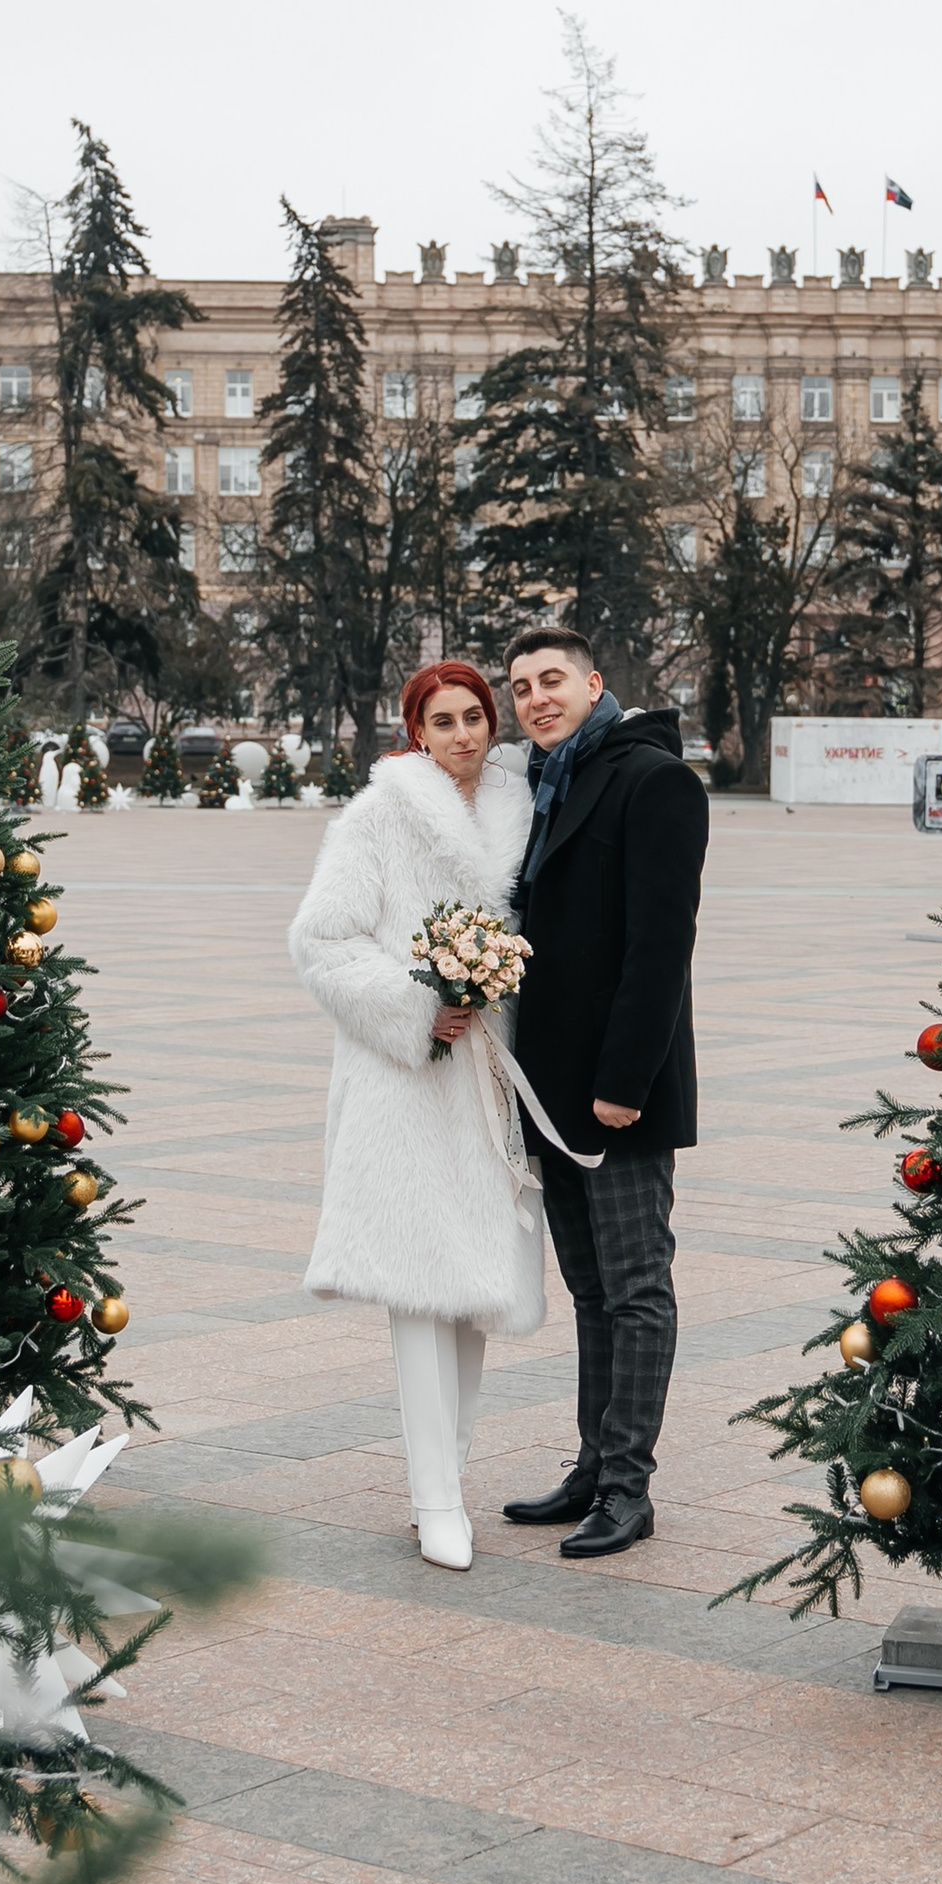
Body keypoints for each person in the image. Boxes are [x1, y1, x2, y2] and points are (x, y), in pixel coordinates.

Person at [287, 661, 544, 1568]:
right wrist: (417, 1001)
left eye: (474, 716)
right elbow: (322, 939)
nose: (463, 735)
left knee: (473, 1290)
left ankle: (452, 1479)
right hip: (406, 1083)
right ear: (416, 732)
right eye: (443, 721)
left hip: (489, 1078)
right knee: (420, 1293)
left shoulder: (521, 808)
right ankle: (435, 1499)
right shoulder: (378, 817)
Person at [498, 624, 707, 1559]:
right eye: (521, 687)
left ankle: (629, 1487)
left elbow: (660, 948)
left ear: (594, 684)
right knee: (590, 1290)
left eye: (552, 680)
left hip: (618, 1094)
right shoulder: (549, 782)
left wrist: (624, 1082)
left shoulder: (654, 780)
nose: (536, 699)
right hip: (552, 1091)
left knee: (635, 1290)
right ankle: (593, 1466)